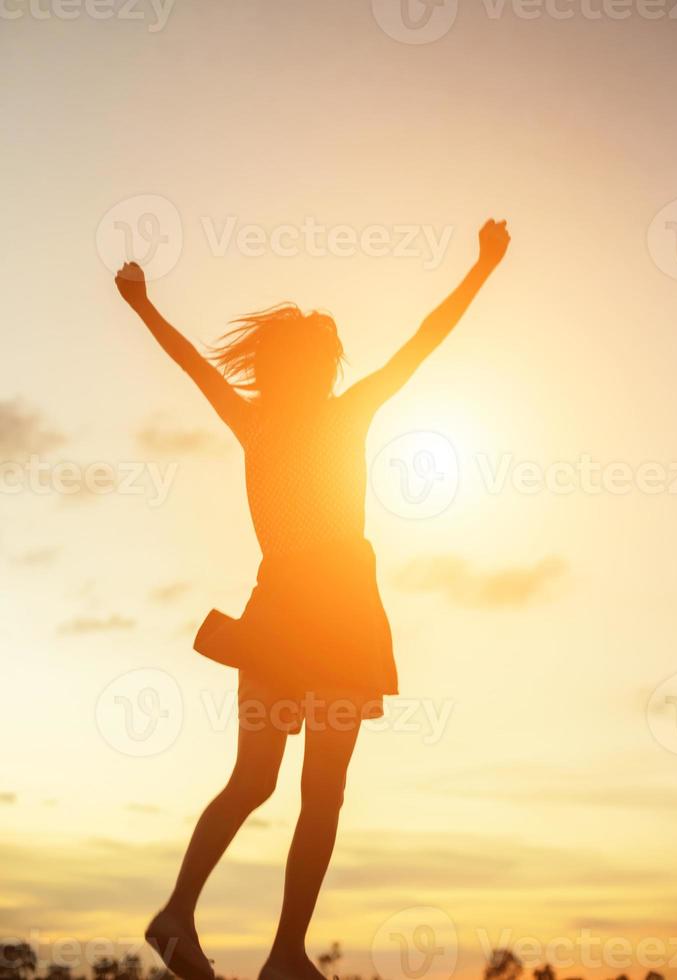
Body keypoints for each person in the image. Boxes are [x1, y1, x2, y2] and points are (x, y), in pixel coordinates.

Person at [113, 217, 511, 980]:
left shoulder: (274, 416)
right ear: (297, 369)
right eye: (317, 362)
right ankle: (219, 930)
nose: (325, 372)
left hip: (313, 612)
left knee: (283, 785)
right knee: (295, 787)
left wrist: (140, 303)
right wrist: (140, 305)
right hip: (316, 612)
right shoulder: (317, 413)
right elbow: (421, 341)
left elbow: (424, 339)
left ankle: (265, 944)